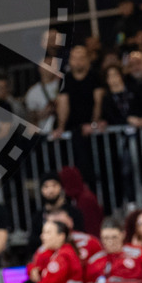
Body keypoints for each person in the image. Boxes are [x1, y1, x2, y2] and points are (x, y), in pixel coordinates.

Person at [52, 45, 106, 183]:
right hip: (74, 128)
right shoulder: (66, 79)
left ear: (88, 59)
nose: (78, 61)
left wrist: (93, 124)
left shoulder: (95, 76)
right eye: (74, 58)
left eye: (81, 58)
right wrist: (61, 127)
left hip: (92, 128)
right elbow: (63, 104)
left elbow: (98, 102)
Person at [28, 172, 84, 252]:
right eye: (46, 186)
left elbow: (81, 237)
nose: (50, 190)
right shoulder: (37, 217)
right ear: (41, 190)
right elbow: (33, 243)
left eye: (54, 185)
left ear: (61, 187)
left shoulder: (74, 213)